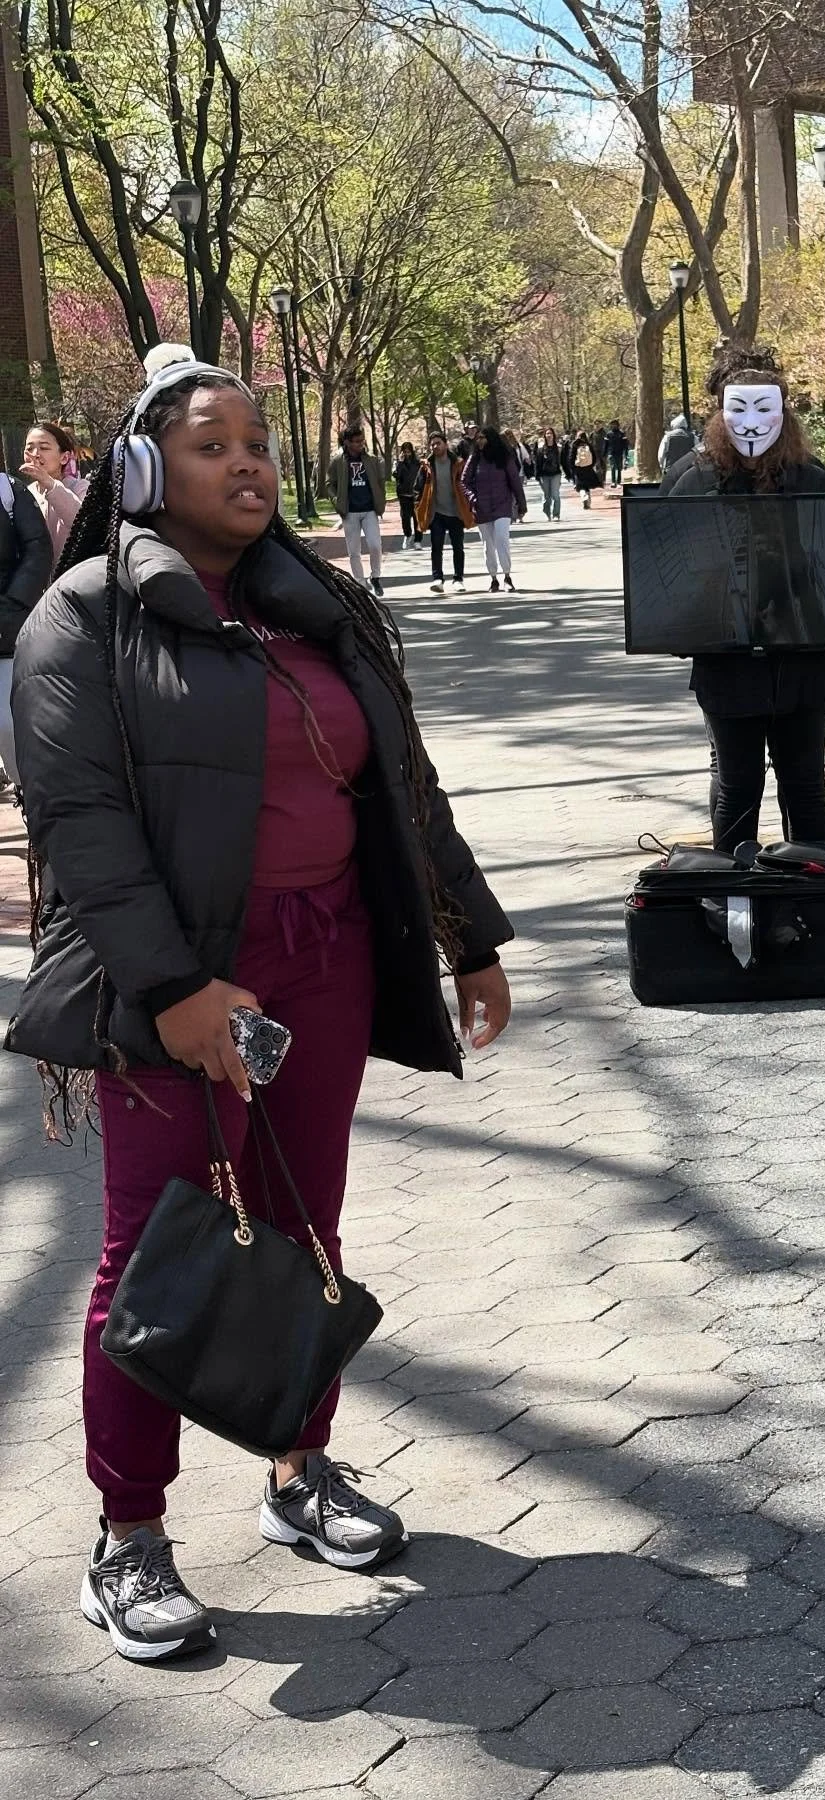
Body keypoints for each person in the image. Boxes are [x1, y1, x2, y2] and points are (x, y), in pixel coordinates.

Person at [3, 346, 514, 1662]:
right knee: (153, 1252)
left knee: (304, 1227)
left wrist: (468, 935)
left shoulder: (324, 607)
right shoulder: (82, 619)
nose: (246, 464)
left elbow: (403, 786)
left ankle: (300, 1471)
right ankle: (127, 1535)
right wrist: (176, 991)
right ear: (141, 470)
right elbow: (81, 824)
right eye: (211, 444)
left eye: (257, 443)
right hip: (176, 984)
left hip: (325, 960)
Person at [660, 346, 825, 851]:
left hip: (801, 659)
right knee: (740, 785)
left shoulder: (812, 478)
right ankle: (736, 889)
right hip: (729, 661)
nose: (752, 423)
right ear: (721, 413)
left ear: (784, 413)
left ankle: (810, 887)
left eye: (765, 408)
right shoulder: (692, 481)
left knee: (802, 784)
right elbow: (672, 571)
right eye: (739, 409)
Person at [0, 447, 55, 791]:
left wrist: (12, 604)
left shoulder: (9, 491)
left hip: (6, 631)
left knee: (10, 725)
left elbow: (38, 549)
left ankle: (28, 797)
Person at [461, 426, 527, 593]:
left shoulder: (504, 457)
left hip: (502, 505)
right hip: (481, 507)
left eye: (483, 438)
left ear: (491, 439)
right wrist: (472, 498)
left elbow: (515, 481)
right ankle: (493, 578)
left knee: (501, 539)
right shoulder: (474, 458)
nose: (480, 441)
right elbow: (464, 481)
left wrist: (521, 504)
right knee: (488, 545)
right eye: (478, 438)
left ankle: (507, 576)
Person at [327, 426, 387, 598]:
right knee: (354, 551)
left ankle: (375, 576)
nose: (361, 444)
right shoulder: (338, 461)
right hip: (350, 511)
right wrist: (337, 501)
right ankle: (360, 582)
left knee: (375, 545)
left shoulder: (372, 460)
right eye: (357, 441)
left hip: (369, 510)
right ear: (347, 442)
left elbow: (380, 482)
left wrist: (380, 500)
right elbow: (329, 484)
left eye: (362, 440)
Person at [415, 431, 474, 593]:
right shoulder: (427, 466)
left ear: (446, 444)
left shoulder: (458, 463)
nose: (435, 446)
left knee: (458, 547)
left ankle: (458, 579)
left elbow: (467, 483)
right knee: (436, 547)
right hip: (436, 513)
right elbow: (418, 488)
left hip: (456, 511)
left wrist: (468, 503)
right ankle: (438, 579)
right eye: (432, 444)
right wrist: (418, 506)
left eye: (438, 443)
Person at [21, 421, 89, 562]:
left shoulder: (81, 488)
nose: (35, 454)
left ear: (64, 458)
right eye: (30, 448)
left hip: (74, 571)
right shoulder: (23, 493)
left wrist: (50, 484)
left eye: (44, 448)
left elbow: (84, 524)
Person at [392, 441, 423, 548]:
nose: (407, 454)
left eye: (408, 451)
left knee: (417, 519)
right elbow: (396, 475)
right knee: (405, 518)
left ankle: (418, 541)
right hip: (404, 494)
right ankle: (408, 535)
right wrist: (400, 463)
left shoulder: (417, 463)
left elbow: (421, 476)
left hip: (416, 495)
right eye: (405, 452)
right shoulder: (399, 463)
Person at [535, 426, 564, 520]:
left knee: (555, 495)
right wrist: (537, 475)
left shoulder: (558, 448)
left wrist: (568, 473)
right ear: (545, 435)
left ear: (553, 435)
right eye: (547, 433)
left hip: (556, 474)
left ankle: (556, 514)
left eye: (550, 433)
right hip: (544, 475)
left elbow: (563, 461)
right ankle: (547, 511)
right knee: (547, 496)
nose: (549, 435)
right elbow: (538, 463)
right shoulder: (541, 449)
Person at [569, 431, 602, 509]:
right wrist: (591, 465)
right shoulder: (588, 444)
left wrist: (572, 467)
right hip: (588, 469)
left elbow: (571, 457)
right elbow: (594, 457)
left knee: (580, 486)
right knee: (587, 486)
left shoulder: (575, 445)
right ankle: (588, 502)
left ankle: (584, 497)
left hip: (578, 468)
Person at [603, 418, 629, 485]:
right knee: (613, 467)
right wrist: (604, 454)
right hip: (611, 453)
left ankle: (619, 481)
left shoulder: (622, 433)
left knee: (619, 467)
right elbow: (606, 445)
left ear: (617, 425)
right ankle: (613, 481)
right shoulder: (608, 434)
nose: (614, 426)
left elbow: (625, 445)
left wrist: (626, 454)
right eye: (612, 424)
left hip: (619, 453)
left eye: (615, 424)